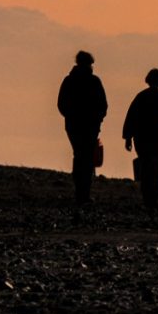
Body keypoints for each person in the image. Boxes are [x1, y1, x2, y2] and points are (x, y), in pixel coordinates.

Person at [123, 68, 158, 212]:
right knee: (157, 171)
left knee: (146, 169)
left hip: (142, 140)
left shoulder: (140, 97)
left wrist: (128, 138)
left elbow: (131, 118)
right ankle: (153, 200)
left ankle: (147, 199)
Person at [57, 50, 108, 206]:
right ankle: (83, 193)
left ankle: (81, 192)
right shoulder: (94, 81)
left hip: (73, 125)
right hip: (90, 126)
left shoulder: (69, 80)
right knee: (85, 158)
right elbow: (103, 105)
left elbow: (61, 104)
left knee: (79, 156)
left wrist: (70, 116)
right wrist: (98, 119)